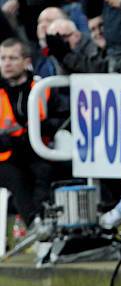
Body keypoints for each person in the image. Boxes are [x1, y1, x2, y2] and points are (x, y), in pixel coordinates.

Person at [0, 37, 69, 227]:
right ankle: (34, 224)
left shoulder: (42, 88)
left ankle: (45, 222)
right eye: (3, 58)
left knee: (45, 170)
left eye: (13, 58)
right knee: (16, 177)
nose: (7, 63)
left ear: (26, 62)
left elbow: (60, 118)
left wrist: (29, 130)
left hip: (37, 150)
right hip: (4, 156)